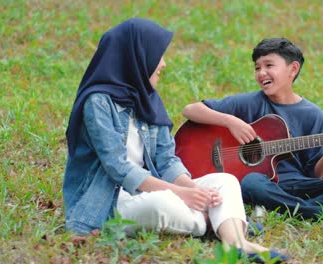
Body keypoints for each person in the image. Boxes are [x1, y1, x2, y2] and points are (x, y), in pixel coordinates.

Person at [62, 18, 289, 263]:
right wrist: (181, 193)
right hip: (109, 200)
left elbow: (166, 159)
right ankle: (219, 222)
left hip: (151, 187)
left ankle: (238, 244)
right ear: (136, 56)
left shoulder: (146, 98)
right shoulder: (97, 103)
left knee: (225, 180)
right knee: (161, 204)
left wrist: (192, 189)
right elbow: (118, 168)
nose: (163, 63)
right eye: (157, 55)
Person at [182, 37, 323, 228]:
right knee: (251, 182)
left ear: (293, 69)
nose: (261, 73)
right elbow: (190, 109)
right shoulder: (248, 103)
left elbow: (316, 176)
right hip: (260, 183)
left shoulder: (312, 115)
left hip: (298, 186)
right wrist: (230, 121)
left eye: (269, 65)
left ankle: (276, 206)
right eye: (257, 68)